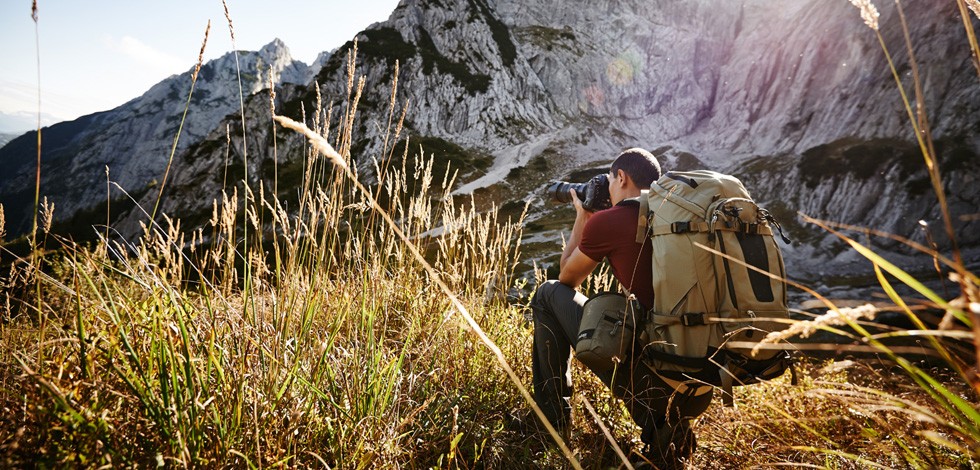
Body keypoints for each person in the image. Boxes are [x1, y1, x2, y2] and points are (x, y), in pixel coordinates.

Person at [520, 148, 713, 468]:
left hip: (658, 377)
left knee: (547, 293)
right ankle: (672, 424)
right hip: (704, 374)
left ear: (621, 178)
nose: (608, 188)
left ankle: (551, 422)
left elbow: (567, 277)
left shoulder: (613, 220)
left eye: (609, 180)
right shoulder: (683, 214)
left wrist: (584, 217)